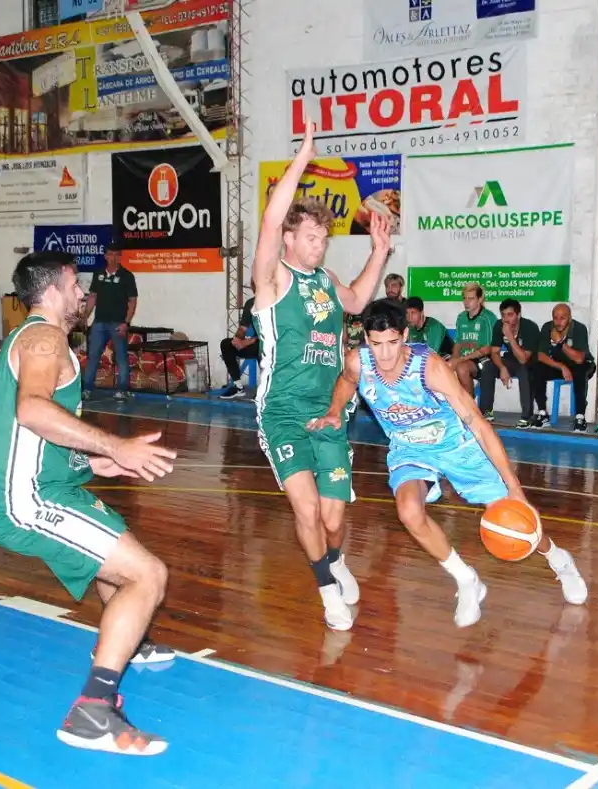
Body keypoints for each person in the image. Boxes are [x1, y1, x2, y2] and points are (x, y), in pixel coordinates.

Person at [0, 251, 178, 756]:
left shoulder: (30, 339)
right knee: (148, 575)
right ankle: (93, 711)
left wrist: (94, 464)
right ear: (54, 289)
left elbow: (29, 436)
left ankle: (124, 634)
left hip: (37, 485)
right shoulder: (45, 338)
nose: (83, 292)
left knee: (116, 542)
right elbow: (32, 411)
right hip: (26, 498)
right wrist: (114, 445)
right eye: (76, 283)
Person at [309, 300, 587, 627]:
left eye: (392, 343)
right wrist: (333, 410)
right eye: (376, 344)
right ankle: (466, 579)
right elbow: (346, 381)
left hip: (457, 446)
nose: (384, 354)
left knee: (514, 515)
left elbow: (479, 424)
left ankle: (558, 559)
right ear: (366, 340)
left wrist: (515, 488)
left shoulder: (429, 368)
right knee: (409, 511)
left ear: (405, 335)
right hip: (410, 450)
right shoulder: (358, 362)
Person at [251, 117, 392, 631]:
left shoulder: (327, 280)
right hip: (283, 413)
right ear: (289, 238)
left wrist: (379, 252)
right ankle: (327, 589)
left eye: (324, 238)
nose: (320, 243)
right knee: (307, 510)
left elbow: (357, 299)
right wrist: (305, 157)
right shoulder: (272, 279)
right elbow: (268, 221)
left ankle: (334, 561)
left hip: (331, 410)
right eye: (311, 235)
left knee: (334, 519)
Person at [82, 242, 138, 400]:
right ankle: (87, 389)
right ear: (105, 256)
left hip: (118, 323)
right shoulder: (98, 273)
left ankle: (123, 389)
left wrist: (126, 323)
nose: (114, 257)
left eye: (117, 254)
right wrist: (85, 316)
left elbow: (132, 301)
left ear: (120, 257)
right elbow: (93, 296)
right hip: (99, 322)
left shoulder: (127, 276)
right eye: (110, 254)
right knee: (93, 355)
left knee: (121, 357)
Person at [477, 298, 539, 428]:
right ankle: (486, 412)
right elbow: (494, 352)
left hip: (531, 362)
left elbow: (523, 359)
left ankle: (527, 417)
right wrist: (502, 368)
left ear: (518, 314)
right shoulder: (499, 325)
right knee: (488, 366)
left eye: (510, 315)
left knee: (524, 370)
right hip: (511, 359)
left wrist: (510, 337)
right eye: (503, 315)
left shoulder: (530, 327)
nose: (506, 319)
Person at [533, 303, 595, 432]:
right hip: (560, 365)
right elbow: (540, 355)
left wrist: (561, 343)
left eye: (563, 318)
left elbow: (579, 359)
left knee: (580, 371)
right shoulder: (547, 327)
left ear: (570, 318)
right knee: (536, 368)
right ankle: (543, 413)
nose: (558, 322)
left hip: (582, 364)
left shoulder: (578, 328)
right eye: (556, 318)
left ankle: (580, 416)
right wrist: (561, 366)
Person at [450, 283, 498, 394]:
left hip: (486, 359)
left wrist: (460, 360)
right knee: (444, 366)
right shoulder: (461, 317)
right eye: (464, 298)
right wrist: (453, 360)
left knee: (462, 368)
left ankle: (470, 407)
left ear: (480, 299)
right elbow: (457, 344)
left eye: (471, 298)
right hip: (465, 359)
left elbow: (487, 349)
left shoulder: (488, 317)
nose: (466, 302)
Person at [218, 286, 259, 400]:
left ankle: (266, 390)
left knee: (264, 348)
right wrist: (237, 340)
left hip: (272, 344)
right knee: (226, 344)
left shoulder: (275, 304)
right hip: (255, 342)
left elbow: (272, 334)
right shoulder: (251, 303)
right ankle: (238, 386)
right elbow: (243, 327)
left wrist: (248, 341)